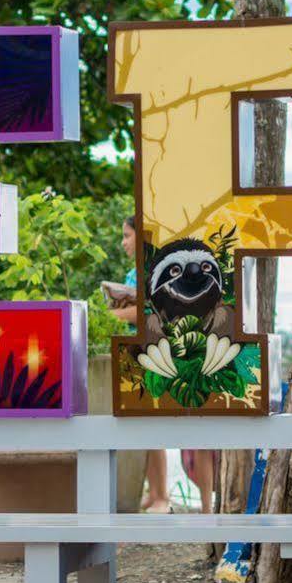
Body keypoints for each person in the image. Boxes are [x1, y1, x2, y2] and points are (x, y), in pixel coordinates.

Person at [109, 215, 175, 514]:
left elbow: (149, 310)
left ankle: (162, 495)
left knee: (153, 424)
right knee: (143, 424)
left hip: (155, 350)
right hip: (137, 351)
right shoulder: (134, 272)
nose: (123, 242)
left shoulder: (154, 270)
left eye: (126, 235)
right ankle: (153, 491)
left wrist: (116, 315)